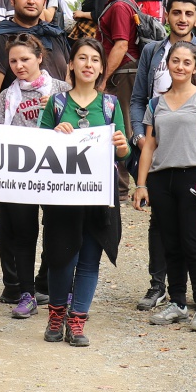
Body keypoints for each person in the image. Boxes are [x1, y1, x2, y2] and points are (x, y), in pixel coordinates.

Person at [129, 0, 196, 309]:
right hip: (155, 149)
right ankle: (159, 286)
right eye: (176, 13)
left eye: (189, 13)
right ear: (166, 15)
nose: (182, 19)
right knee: (160, 223)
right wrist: (138, 136)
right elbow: (136, 99)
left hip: (194, 154)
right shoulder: (151, 51)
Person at [38, 39, 129, 346]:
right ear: (72, 65)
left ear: (101, 67)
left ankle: (77, 320)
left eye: (94, 59)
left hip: (98, 196)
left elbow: (123, 153)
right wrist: (53, 135)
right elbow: (38, 150)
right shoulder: (57, 104)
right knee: (61, 257)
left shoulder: (110, 105)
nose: (88, 64)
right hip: (63, 197)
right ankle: (56, 313)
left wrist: (122, 146)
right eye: (82, 58)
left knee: (90, 258)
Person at [0, 34, 68, 318]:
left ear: (39, 58)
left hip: (55, 173)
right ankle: (26, 293)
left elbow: (81, 125)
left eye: (25, 59)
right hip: (19, 174)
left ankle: (52, 285)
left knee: (57, 229)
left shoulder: (61, 89)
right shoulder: (7, 96)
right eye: (13, 61)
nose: (19, 66)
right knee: (23, 234)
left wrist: (60, 109)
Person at [95, 0, 141, 140]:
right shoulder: (127, 3)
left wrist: (104, 78)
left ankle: (126, 167)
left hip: (124, 73)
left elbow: (121, 45)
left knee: (124, 123)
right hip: (124, 72)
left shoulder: (119, 7)